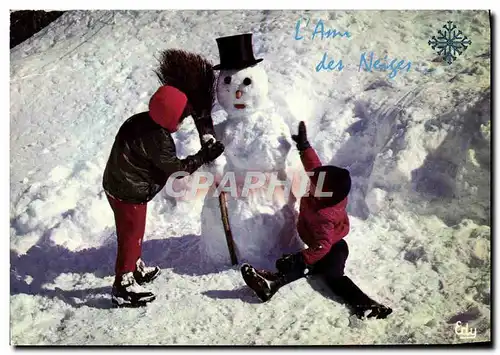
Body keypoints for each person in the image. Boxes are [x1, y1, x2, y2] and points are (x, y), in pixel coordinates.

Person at [241, 121, 392, 320]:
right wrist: (304, 146)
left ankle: (367, 305)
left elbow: (323, 245)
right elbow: (315, 168)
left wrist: (300, 258)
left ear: (324, 195)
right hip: (319, 244)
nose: (311, 182)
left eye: (316, 184)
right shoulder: (323, 191)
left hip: (333, 247)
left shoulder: (325, 217)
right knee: (311, 267)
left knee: (332, 276)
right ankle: (272, 284)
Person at [103, 85, 224, 307]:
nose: (182, 122)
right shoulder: (157, 138)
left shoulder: (139, 120)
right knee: (130, 237)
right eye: (180, 118)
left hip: (119, 184)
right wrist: (204, 155)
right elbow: (177, 170)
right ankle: (123, 284)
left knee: (135, 233)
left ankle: (135, 268)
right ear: (168, 117)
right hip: (128, 193)